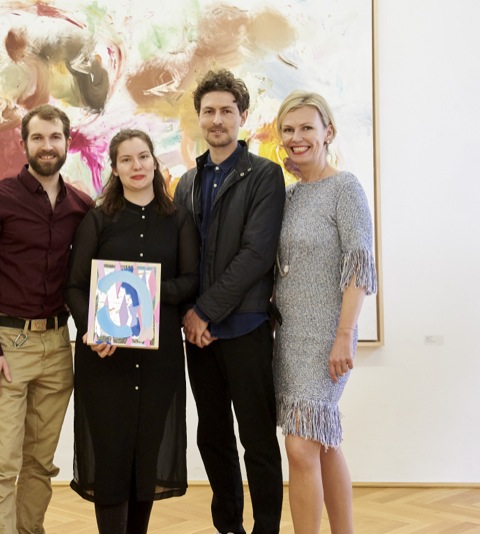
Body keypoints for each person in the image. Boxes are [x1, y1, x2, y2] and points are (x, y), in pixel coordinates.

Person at [0, 104, 94, 534]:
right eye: (37, 138)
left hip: (57, 346)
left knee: (40, 463)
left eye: (54, 137)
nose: (47, 146)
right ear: (24, 144)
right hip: (7, 345)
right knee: (3, 465)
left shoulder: (82, 206)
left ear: (67, 143)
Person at [64, 129, 199, 534]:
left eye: (143, 157)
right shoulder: (98, 219)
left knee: (145, 459)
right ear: (115, 168)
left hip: (159, 360)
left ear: (155, 162)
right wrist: (92, 329)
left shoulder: (178, 218)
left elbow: (191, 281)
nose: (136, 166)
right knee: (111, 460)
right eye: (126, 159)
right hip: (105, 359)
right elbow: (74, 286)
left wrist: (149, 290)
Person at [173, 69, 286, 534]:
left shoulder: (265, 175)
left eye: (226, 111)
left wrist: (204, 312)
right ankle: (228, 527)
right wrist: (190, 317)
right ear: (199, 118)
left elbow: (256, 255)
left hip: (246, 327)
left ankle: (266, 528)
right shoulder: (185, 183)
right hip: (199, 337)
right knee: (213, 437)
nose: (217, 120)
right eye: (208, 111)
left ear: (242, 116)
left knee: (257, 439)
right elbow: (182, 260)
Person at [273, 91, 377, 534]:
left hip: (327, 336)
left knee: (300, 446)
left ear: (328, 132)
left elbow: (359, 266)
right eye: (288, 129)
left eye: (306, 128)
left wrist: (344, 335)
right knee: (322, 442)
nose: (296, 137)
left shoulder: (345, 188)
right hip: (288, 338)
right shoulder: (289, 196)